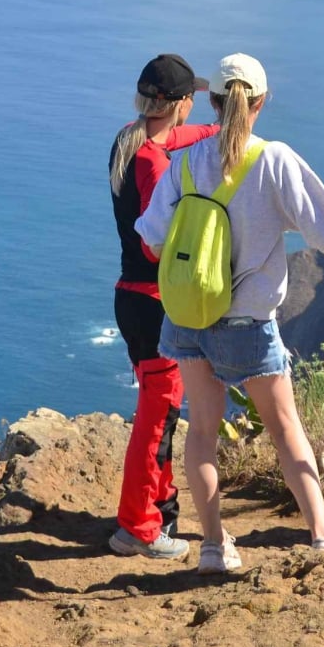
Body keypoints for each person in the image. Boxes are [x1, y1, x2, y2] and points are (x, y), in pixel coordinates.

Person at [136, 53, 324, 573]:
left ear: (212, 102)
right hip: (248, 323)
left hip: (186, 317)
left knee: (202, 435)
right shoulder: (272, 160)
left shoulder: (185, 162)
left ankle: (212, 547)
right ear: (260, 102)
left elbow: (151, 241)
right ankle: (321, 536)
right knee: (284, 429)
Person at [107, 54, 219, 559]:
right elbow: (154, 244)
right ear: (179, 103)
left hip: (130, 299)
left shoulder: (130, 141)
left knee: (161, 413)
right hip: (154, 304)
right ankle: (138, 527)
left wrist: (219, 130)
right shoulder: (153, 163)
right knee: (158, 419)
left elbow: (173, 137)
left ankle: (157, 511)